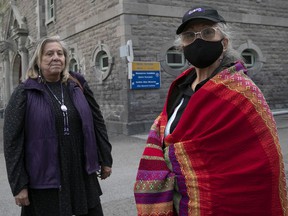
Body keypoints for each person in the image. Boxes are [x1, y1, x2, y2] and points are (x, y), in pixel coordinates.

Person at [134, 6, 288, 216]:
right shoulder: (179, 89)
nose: (198, 40)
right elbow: (165, 136)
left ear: (224, 43)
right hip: (180, 207)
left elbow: (262, 163)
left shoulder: (242, 92)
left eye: (208, 32)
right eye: (189, 35)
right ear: (182, 46)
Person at [4, 36, 113, 216]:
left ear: (65, 59)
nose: (56, 57)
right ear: (39, 60)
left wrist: (105, 158)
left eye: (60, 53)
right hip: (44, 177)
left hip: (80, 172)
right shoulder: (25, 92)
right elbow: (12, 142)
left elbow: (97, 122)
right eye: (49, 54)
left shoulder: (77, 84)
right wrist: (19, 185)